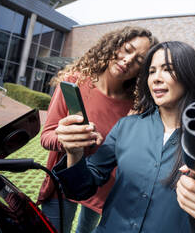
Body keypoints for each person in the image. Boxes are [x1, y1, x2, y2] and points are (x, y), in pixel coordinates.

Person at [52, 41, 195, 232]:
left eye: (167, 69)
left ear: (188, 75)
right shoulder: (126, 126)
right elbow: (80, 189)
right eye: (151, 71)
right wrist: (74, 153)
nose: (156, 78)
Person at [37, 26, 158, 233]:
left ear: (143, 70)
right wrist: (70, 140)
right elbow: (46, 136)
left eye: (139, 60)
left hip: (102, 190)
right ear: (114, 45)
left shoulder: (136, 106)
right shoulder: (75, 81)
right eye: (127, 49)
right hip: (62, 184)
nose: (128, 60)